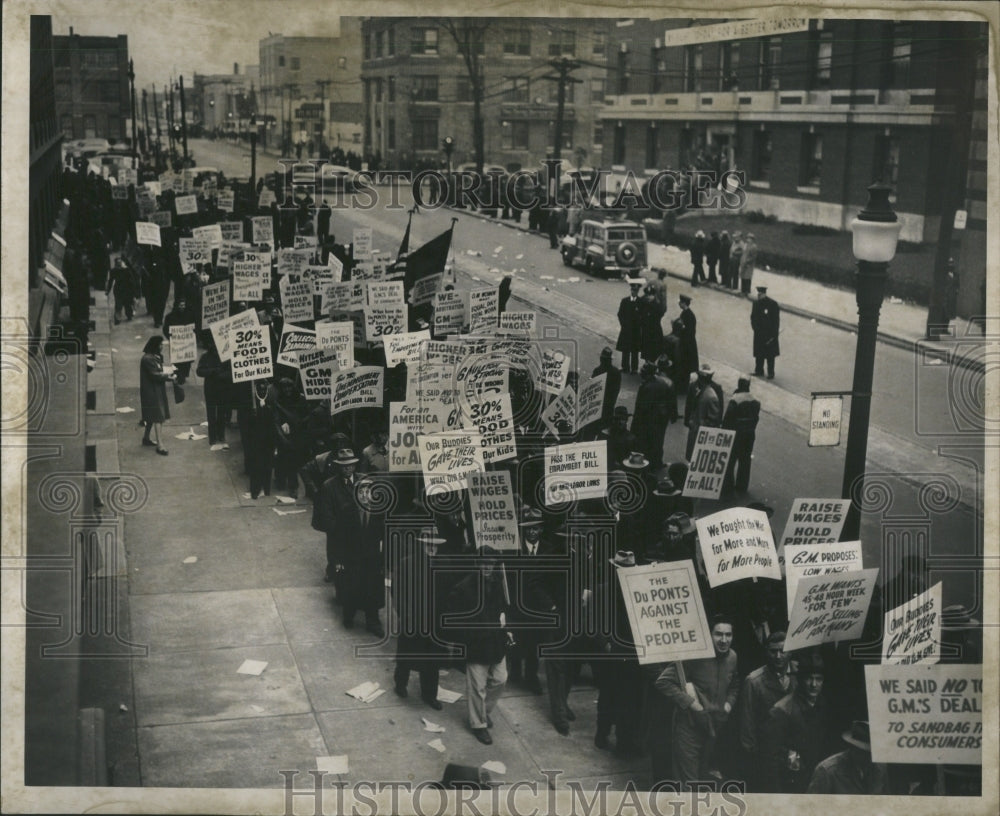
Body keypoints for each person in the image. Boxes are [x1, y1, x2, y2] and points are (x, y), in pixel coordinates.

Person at [655, 614, 740, 787]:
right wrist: (691, 703)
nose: (724, 640)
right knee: (688, 782)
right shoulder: (694, 655)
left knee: (701, 776)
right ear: (708, 634)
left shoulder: (733, 657)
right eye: (718, 634)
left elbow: (735, 684)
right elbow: (663, 682)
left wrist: (728, 704)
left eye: (728, 635)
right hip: (689, 727)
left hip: (712, 727)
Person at [315, 450, 385, 636]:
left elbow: (384, 532)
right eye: (344, 465)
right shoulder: (330, 488)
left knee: (372, 588)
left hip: (370, 555)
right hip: (347, 547)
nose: (348, 468)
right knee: (349, 584)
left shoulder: (375, 509)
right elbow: (326, 520)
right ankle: (349, 614)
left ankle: (373, 620)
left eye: (351, 465)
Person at [446, 546, 511, 745]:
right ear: (477, 563)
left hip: (496, 642)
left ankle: (484, 711)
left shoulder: (498, 583)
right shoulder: (464, 587)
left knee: (500, 679)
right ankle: (478, 725)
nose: (488, 567)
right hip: (476, 645)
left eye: (491, 563)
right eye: (484, 563)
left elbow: (502, 608)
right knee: (477, 687)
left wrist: (505, 626)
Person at [762, 649, 836, 793]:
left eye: (819, 679)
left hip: (815, 780)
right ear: (800, 679)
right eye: (809, 678)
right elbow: (769, 761)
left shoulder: (823, 704)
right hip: (791, 783)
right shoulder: (781, 711)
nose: (814, 684)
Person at [392, 532, 447, 709]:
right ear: (421, 544)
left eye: (435, 545)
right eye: (428, 544)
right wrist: (406, 617)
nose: (432, 548)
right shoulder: (406, 564)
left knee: (432, 661)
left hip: (432, 624)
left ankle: (429, 694)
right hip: (412, 621)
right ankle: (400, 685)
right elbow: (398, 592)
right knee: (405, 658)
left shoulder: (442, 565)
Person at [739, 631, 794, 791]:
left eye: (782, 651)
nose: (778, 656)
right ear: (766, 652)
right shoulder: (754, 681)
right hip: (766, 756)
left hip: (794, 753)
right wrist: (755, 759)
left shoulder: (799, 675)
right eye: (773, 651)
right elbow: (747, 728)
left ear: (790, 652)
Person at [807, 721, 889, 794]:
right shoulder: (827, 771)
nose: (870, 758)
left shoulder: (881, 767)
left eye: (872, 753)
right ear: (852, 748)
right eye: (864, 752)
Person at [722, 375, 761, 494]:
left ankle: (728, 486)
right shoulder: (755, 400)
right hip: (749, 434)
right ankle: (742, 486)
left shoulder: (735, 400)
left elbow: (728, 419)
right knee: (745, 460)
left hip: (736, 434)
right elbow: (756, 418)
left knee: (731, 460)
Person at [632, 362, 674, 470]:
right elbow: (670, 401)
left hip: (649, 420)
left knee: (646, 442)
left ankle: (647, 464)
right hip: (660, 419)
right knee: (658, 442)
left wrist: (635, 424)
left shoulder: (647, 387)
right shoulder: (662, 383)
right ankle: (657, 463)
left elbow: (641, 408)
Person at [139, 336, 175, 455]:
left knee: (151, 415)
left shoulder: (153, 357)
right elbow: (155, 374)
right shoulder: (148, 359)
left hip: (155, 389)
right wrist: (168, 377)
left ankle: (146, 438)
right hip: (151, 391)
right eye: (160, 344)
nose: (161, 346)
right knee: (158, 416)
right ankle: (160, 445)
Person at [195, 332, 231, 451]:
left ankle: (221, 436)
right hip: (210, 388)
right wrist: (212, 372)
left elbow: (231, 372)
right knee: (211, 414)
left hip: (223, 388)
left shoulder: (226, 357)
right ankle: (213, 438)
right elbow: (199, 371)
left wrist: (221, 375)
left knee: (221, 414)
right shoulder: (205, 357)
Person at [684, 364, 724, 461]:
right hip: (695, 423)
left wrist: (718, 423)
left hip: (705, 426)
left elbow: (719, 408)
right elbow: (689, 404)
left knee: (703, 454)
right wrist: (687, 420)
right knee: (692, 453)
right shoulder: (693, 385)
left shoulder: (715, 388)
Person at [616, 278, 645, 374]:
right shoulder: (625, 301)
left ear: (638, 291)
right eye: (633, 290)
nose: (634, 292)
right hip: (626, 329)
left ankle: (634, 368)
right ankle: (625, 367)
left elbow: (642, 316)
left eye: (636, 291)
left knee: (634, 350)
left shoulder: (641, 302)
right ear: (630, 290)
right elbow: (620, 314)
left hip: (636, 331)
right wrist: (623, 324)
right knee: (625, 349)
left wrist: (639, 325)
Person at [590, 347, 622, 437]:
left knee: (594, 429)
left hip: (597, 406)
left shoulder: (598, 371)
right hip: (608, 406)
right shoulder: (615, 372)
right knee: (604, 430)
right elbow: (616, 390)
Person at [751, 285, 780, 379]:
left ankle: (771, 372)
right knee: (759, 354)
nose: (759, 295)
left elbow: (776, 321)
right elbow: (753, 317)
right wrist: (755, 328)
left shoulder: (772, 304)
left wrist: (774, 335)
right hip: (759, 333)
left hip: (769, 334)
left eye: (761, 294)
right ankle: (759, 370)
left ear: (764, 294)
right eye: (758, 294)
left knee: (770, 355)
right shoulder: (756, 303)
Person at [107, 256, 138, 324]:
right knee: (119, 304)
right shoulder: (118, 270)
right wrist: (108, 290)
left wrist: (134, 291)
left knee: (127, 304)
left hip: (125, 289)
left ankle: (128, 315)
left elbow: (131, 281)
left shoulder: (125, 270)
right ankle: (119, 318)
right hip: (121, 289)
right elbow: (110, 281)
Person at [640, 284, 665, 364]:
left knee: (654, 349)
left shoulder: (657, 305)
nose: (648, 297)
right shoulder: (644, 302)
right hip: (646, 330)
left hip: (654, 330)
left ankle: (651, 363)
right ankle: (647, 362)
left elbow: (660, 315)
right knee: (645, 348)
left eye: (650, 295)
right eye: (647, 295)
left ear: (654, 295)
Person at [677, 294, 699, 383]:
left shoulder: (689, 315)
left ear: (684, 303)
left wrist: (682, 328)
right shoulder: (685, 313)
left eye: (680, 302)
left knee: (687, 363)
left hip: (688, 344)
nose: (679, 304)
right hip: (686, 342)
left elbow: (690, 331)